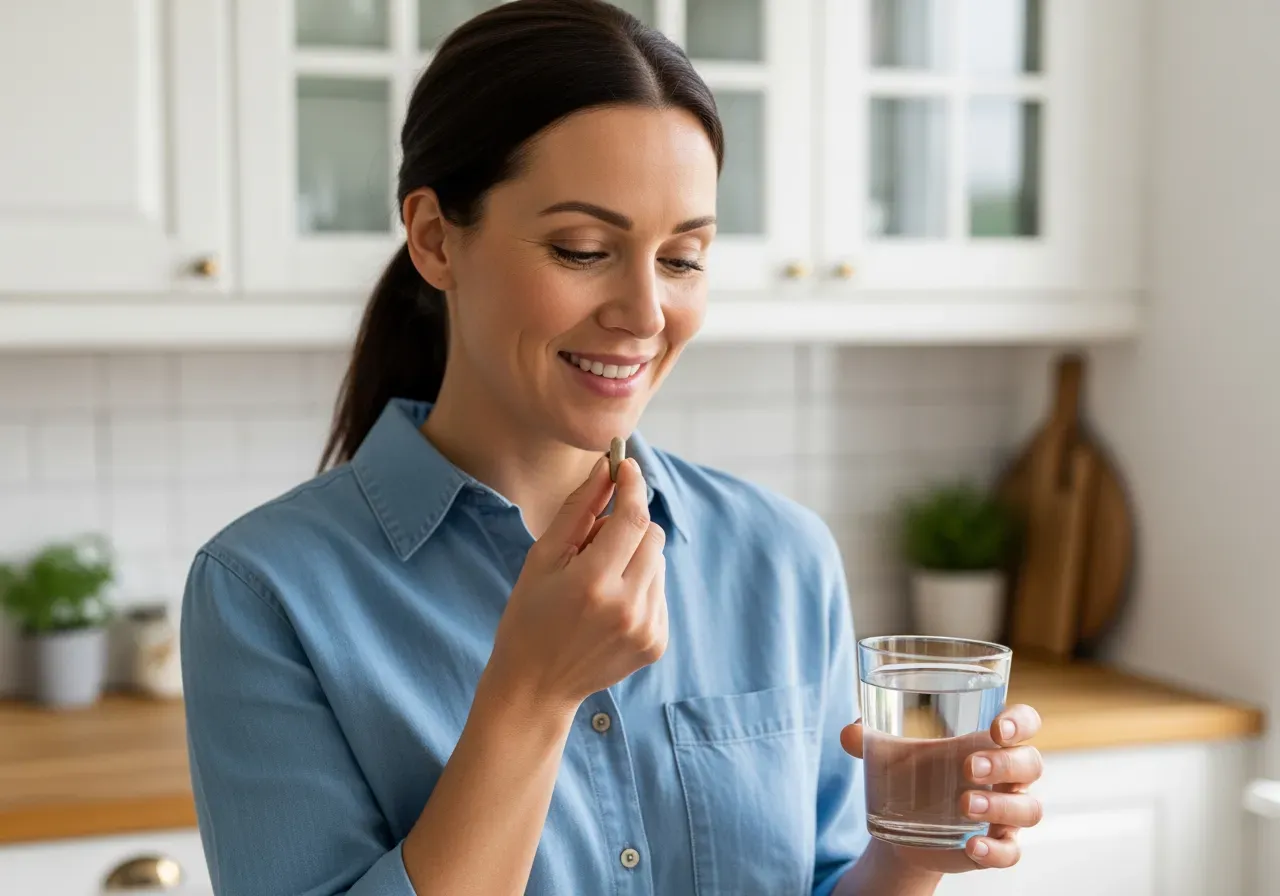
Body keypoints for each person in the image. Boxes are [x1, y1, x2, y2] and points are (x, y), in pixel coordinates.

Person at [179, 2, 1044, 894]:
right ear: (436, 238)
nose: (644, 315)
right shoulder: (265, 594)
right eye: (583, 249)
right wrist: (534, 693)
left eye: (682, 259)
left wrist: (905, 857)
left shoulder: (781, 560)